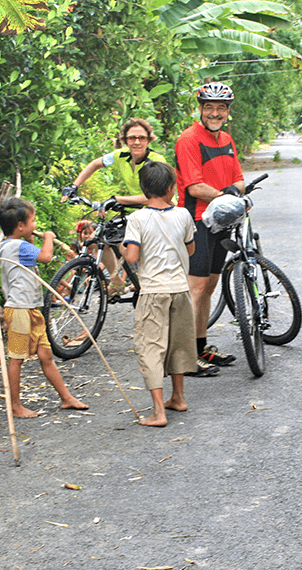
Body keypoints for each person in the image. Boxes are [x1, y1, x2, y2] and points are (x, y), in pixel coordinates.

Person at [175, 82, 245, 377]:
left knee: (211, 285)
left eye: (220, 108)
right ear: (200, 109)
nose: (214, 113)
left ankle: (201, 347)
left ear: (228, 111)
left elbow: (240, 180)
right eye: (209, 107)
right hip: (197, 220)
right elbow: (194, 187)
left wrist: (233, 194)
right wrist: (229, 197)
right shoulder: (189, 139)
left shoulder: (226, 139)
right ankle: (185, 358)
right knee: (197, 288)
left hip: (222, 222)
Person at [0, 197, 89, 418]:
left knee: (46, 354)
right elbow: (46, 257)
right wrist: (48, 238)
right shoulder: (17, 246)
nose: (35, 226)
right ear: (20, 227)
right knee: (16, 358)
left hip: (31, 309)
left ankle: (67, 398)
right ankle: (16, 406)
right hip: (20, 310)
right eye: (32, 221)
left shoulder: (10, 246)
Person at [123, 160, 197, 427]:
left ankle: (158, 412)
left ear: (144, 190)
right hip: (180, 289)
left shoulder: (137, 218)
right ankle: (178, 397)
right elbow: (190, 250)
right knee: (178, 344)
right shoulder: (183, 215)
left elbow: (132, 256)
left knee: (151, 348)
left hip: (153, 292)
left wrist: (122, 249)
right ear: (170, 188)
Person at [61, 118, 166, 294]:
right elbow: (95, 164)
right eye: (132, 138)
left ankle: (147, 278)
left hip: (159, 210)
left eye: (142, 137)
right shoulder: (121, 156)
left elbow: (155, 197)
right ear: (125, 140)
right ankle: (116, 281)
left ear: (149, 140)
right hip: (136, 209)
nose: (137, 142)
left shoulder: (156, 161)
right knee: (104, 236)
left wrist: (118, 199)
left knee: (132, 245)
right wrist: (74, 186)